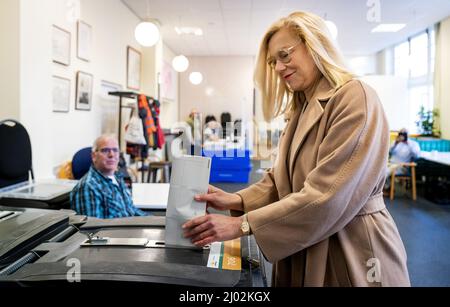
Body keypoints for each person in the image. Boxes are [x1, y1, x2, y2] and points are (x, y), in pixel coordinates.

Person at [182, 11, 410, 286]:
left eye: (285, 55)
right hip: (302, 240)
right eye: (273, 61)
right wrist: (236, 200)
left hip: (351, 247)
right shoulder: (299, 109)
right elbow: (282, 179)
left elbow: (327, 196)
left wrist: (242, 224)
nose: (278, 68)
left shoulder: (354, 97)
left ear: (314, 45)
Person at [70, 134, 147, 219]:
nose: (111, 155)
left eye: (115, 150)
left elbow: (131, 210)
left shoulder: (117, 178)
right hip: (119, 231)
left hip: (130, 227)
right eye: (105, 150)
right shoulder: (88, 187)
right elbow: (94, 230)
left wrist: (153, 220)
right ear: (94, 156)